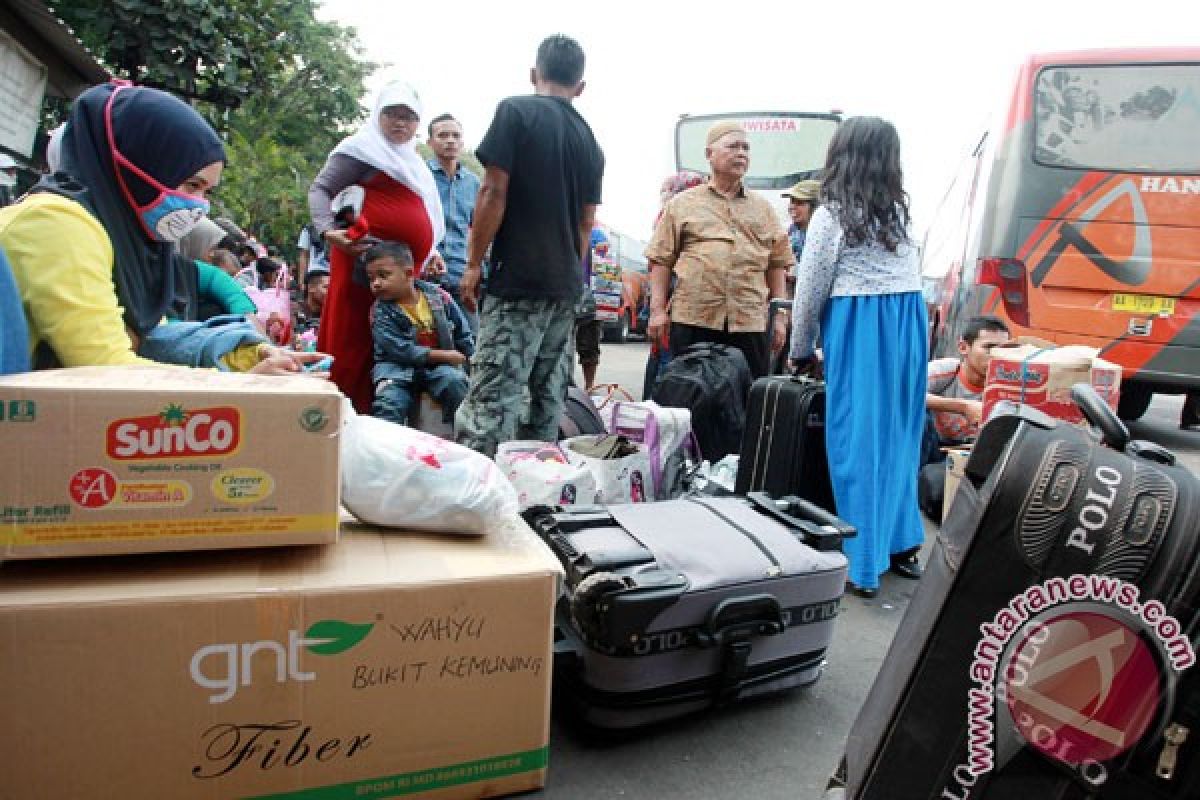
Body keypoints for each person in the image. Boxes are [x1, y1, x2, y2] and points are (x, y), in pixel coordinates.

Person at [0, 82, 318, 374]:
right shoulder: (56, 225)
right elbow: (106, 369)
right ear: (136, 166)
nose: (198, 205)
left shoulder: (131, 238)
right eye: (191, 185)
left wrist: (252, 353)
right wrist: (241, 383)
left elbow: (158, 337)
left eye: (206, 191)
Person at [788, 116, 927, 598]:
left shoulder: (831, 214)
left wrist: (800, 350)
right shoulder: (900, 213)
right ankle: (903, 544)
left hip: (861, 323)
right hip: (908, 322)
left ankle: (862, 561)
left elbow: (810, 289)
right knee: (900, 437)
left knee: (857, 441)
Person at [454, 35, 604, 457]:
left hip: (518, 278)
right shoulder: (590, 141)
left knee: (493, 398)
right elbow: (586, 223)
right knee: (547, 399)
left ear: (534, 73)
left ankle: (479, 497)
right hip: (563, 286)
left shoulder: (515, 110)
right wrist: (571, 278)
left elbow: (492, 191)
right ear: (580, 86)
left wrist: (472, 262)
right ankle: (535, 492)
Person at [309, 80, 445, 412]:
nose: (400, 123)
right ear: (377, 115)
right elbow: (320, 190)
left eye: (408, 117)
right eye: (392, 114)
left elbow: (424, 212)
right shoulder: (360, 150)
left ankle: (383, 420)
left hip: (401, 275)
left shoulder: (413, 164)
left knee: (393, 343)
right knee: (353, 340)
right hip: (361, 268)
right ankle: (341, 416)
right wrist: (328, 231)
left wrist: (431, 251)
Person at [646, 122, 794, 380]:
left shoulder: (764, 210)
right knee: (690, 398)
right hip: (694, 319)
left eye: (746, 148)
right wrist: (657, 312)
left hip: (749, 322)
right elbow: (661, 260)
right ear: (709, 154)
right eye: (733, 146)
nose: (741, 153)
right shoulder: (682, 204)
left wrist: (780, 318)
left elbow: (777, 264)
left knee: (745, 402)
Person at [365, 242, 473, 426]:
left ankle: (462, 439)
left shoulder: (440, 297)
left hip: (440, 367)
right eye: (371, 278)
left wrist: (469, 358)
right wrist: (444, 355)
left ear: (408, 273)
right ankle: (387, 448)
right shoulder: (380, 311)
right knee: (389, 401)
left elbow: (463, 333)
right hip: (396, 369)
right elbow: (398, 349)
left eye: (384, 275)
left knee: (455, 383)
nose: (376, 283)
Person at [923, 315, 1011, 464]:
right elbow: (907, 393)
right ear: (963, 347)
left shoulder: (1008, 386)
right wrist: (963, 407)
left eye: (1003, 350)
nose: (997, 355)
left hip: (973, 457)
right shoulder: (947, 370)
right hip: (933, 449)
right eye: (989, 348)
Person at [425, 113, 482, 331]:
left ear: (462, 142)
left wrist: (476, 268)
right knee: (428, 338)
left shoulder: (473, 183)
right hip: (425, 272)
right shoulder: (420, 176)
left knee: (470, 340)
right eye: (443, 135)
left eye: (455, 135)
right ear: (430, 142)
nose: (450, 140)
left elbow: (478, 230)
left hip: (462, 275)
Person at [575, 227, 608, 390]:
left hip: (590, 298)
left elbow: (604, 254)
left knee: (589, 346)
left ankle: (589, 387)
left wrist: (600, 248)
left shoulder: (595, 233)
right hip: (564, 293)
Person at [294, 267, 330, 345]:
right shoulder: (295, 310)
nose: (330, 292)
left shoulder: (329, 313)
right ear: (311, 288)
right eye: (326, 287)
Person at [295, 221, 329, 285]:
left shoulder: (343, 225)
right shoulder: (308, 228)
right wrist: (302, 281)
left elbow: (303, 255)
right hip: (315, 274)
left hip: (335, 273)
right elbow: (304, 255)